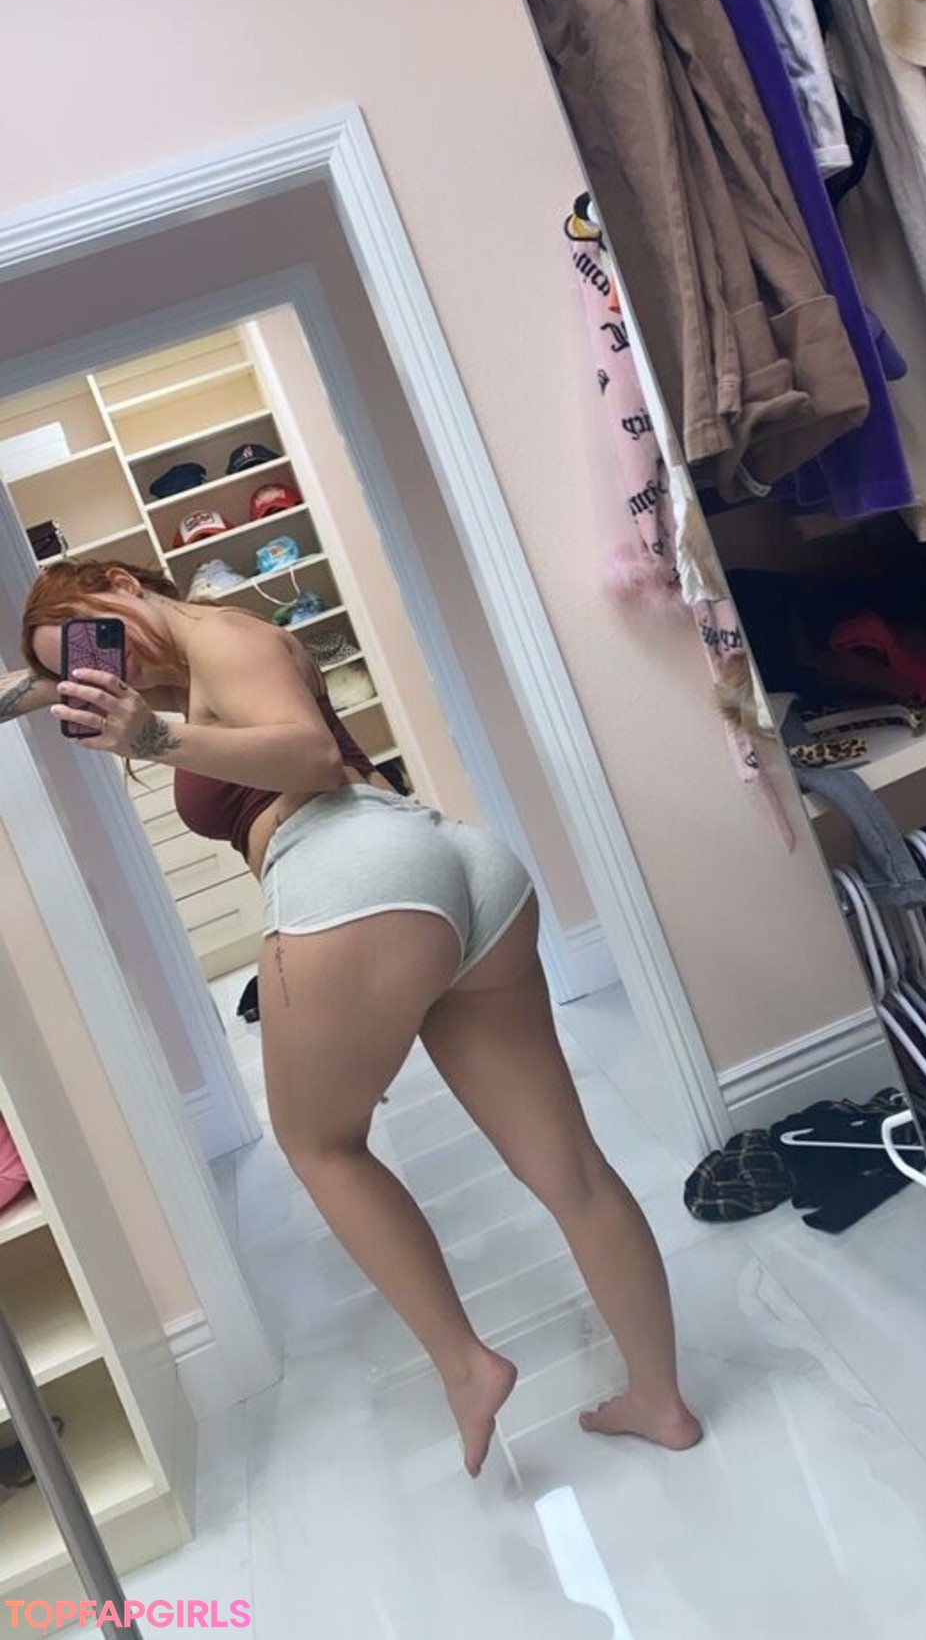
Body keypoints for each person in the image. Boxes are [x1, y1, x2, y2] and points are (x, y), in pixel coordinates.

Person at [6, 559, 703, 1475]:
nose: (107, 666)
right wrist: (49, 680)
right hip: (452, 867)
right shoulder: (209, 656)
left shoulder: (221, 639)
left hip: (348, 870)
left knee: (320, 1144)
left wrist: (153, 735)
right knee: (570, 1168)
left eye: (94, 635)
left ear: (117, 583)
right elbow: (71, 684)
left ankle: (466, 1366)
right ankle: (660, 1401)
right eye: (82, 660)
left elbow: (309, 756)